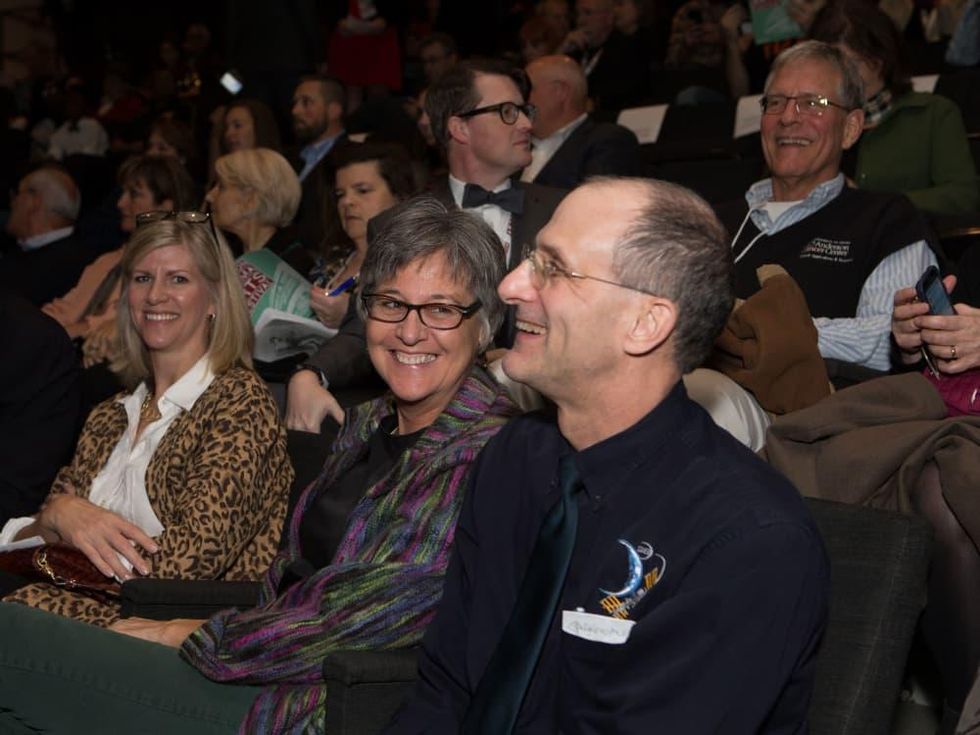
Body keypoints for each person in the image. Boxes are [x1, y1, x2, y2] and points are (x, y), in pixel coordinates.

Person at [0, 196, 519, 734]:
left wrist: (186, 634)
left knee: (12, 639)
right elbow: (286, 584)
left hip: (307, 705)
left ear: (483, 325)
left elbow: (359, 620)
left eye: (441, 309)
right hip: (251, 659)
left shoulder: (485, 452)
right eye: (391, 303)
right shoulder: (366, 427)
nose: (410, 331)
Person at [389, 176, 829, 732]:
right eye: (530, 259)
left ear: (645, 323)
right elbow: (446, 688)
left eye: (553, 268)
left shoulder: (749, 540)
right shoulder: (513, 459)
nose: (510, 286)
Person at [0, 215, 291, 626]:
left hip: (171, 636)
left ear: (215, 299)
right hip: (65, 618)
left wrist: (68, 541)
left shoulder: (240, 403)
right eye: (141, 279)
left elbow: (187, 565)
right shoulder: (109, 416)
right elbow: (24, 543)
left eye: (178, 279)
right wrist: (57, 516)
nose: (155, 295)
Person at [714, 40, 938, 374]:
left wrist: (755, 329)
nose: (787, 117)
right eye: (775, 102)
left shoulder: (887, 221)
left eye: (812, 103)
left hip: (820, 400)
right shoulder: (709, 222)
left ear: (850, 129)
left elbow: (890, 337)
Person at [810, 3, 979, 217]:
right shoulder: (809, 116)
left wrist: (879, 203)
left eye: (850, 64)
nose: (836, 75)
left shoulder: (933, 113)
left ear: (879, 60)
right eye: (826, 65)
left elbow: (963, 196)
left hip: (903, 235)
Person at [41, 155, 197, 346]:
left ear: (165, 208)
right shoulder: (109, 260)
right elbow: (65, 309)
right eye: (123, 193)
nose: (121, 203)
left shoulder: (176, 267)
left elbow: (133, 321)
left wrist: (72, 331)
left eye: (134, 194)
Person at [308, 141, 417, 328]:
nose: (347, 202)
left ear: (399, 196)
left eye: (362, 190)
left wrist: (351, 316)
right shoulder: (332, 259)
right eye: (340, 194)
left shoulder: (412, 265)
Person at [522, 54, 639, 188]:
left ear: (560, 91)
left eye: (527, 90)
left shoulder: (607, 140)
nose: (519, 99)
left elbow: (597, 199)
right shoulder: (516, 143)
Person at [0, 165, 97, 306]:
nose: (12, 202)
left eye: (17, 194)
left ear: (33, 201)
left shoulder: (69, 268)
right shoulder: (24, 249)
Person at [206, 147, 309, 278]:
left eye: (221, 187)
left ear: (251, 200)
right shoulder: (224, 257)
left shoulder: (291, 266)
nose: (209, 196)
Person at [289, 75, 348, 250]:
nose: (295, 111)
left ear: (334, 111)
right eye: (295, 103)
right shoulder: (290, 158)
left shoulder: (350, 156)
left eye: (306, 102)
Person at [557, 0, 649, 111]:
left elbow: (624, 95)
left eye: (588, 13)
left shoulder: (626, 51)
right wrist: (561, 50)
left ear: (609, 18)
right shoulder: (575, 50)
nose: (580, 21)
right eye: (577, 14)